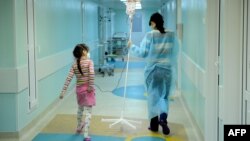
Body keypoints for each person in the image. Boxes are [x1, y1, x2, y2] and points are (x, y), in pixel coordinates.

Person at [127, 12, 179, 135]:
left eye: (150, 24)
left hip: (153, 70)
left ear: (153, 23)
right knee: (164, 96)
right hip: (167, 70)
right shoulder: (171, 34)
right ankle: (163, 119)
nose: (150, 26)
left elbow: (143, 53)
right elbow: (175, 52)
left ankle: (154, 126)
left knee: (153, 97)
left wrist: (131, 46)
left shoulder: (150, 35)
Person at [59, 43, 95, 141]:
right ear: (83, 51)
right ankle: (86, 135)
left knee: (80, 109)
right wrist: (91, 86)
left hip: (79, 91)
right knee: (88, 113)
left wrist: (63, 92)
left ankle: (79, 127)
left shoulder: (74, 64)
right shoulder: (89, 62)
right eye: (86, 50)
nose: (88, 52)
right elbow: (91, 74)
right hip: (88, 90)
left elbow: (68, 78)